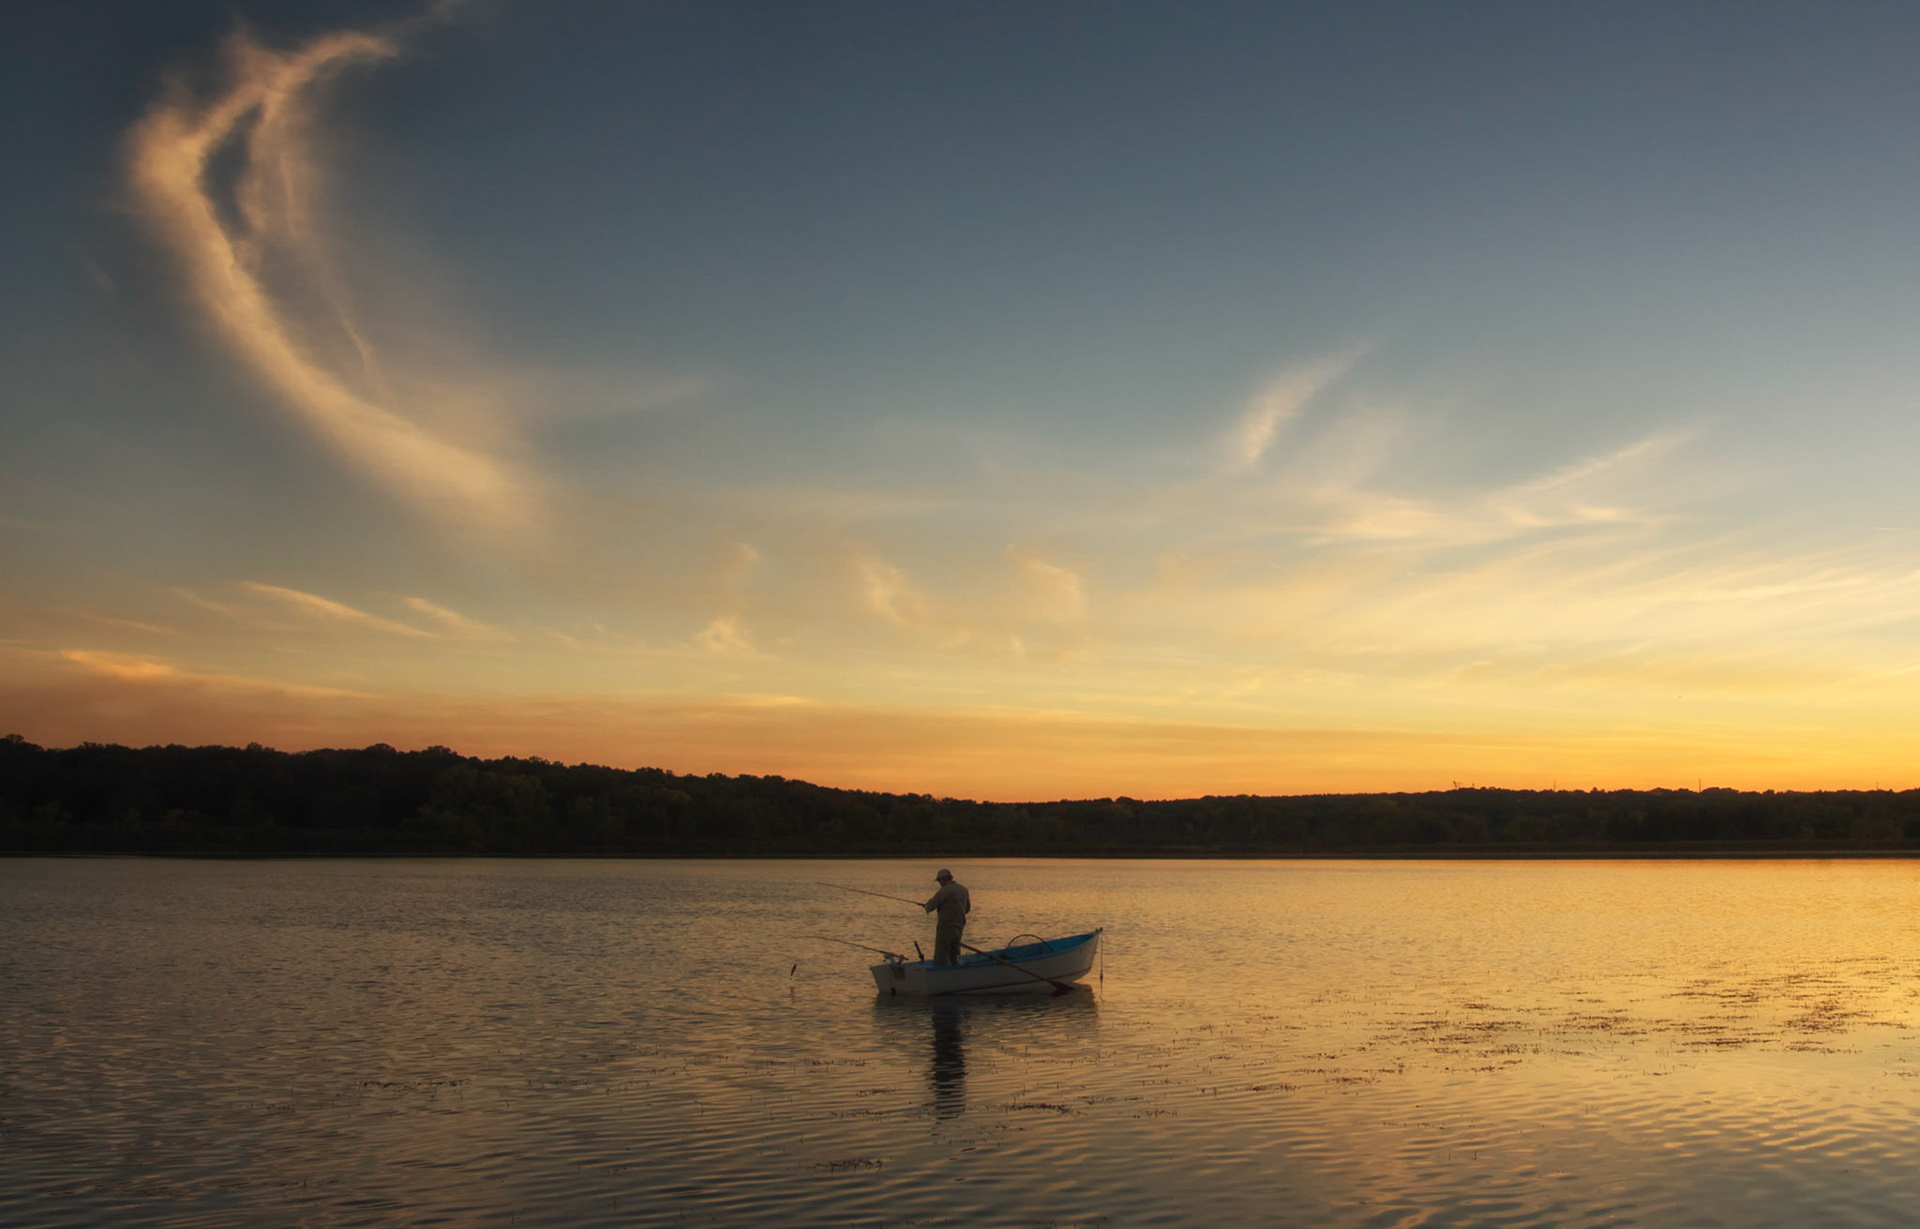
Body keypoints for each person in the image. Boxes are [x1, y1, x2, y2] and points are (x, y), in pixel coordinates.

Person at [922, 868, 970, 965]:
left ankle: (940, 973)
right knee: (955, 951)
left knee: (942, 953)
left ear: (943, 879)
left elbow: (930, 906)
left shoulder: (944, 891)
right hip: (959, 925)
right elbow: (967, 909)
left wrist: (926, 906)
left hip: (946, 926)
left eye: (940, 881)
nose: (940, 883)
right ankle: (955, 970)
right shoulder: (963, 889)